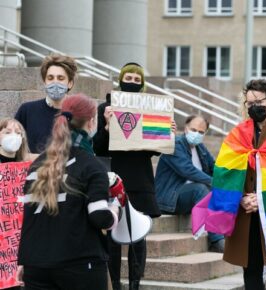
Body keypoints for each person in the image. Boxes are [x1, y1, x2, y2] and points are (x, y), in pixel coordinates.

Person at [17, 94, 120, 290]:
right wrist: (116, 208)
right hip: (79, 263)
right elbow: (100, 218)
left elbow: (30, 217)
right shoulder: (91, 165)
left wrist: (24, 259)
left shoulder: (38, 164)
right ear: (91, 122)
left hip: (35, 264)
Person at [206, 79, 266, 290]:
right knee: (251, 274)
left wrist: (262, 199)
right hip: (248, 215)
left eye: (258, 102)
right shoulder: (239, 133)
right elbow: (225, 172)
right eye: (249, 103)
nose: (254, 107)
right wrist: (242, 197)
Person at [94, 62, 170, 290]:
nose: (132, 83)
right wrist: (107, 126)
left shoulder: (151, 109)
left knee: (139, 235)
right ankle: (116, 283)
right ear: (120, 79)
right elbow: (98, 147)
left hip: (140, 178)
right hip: (114, 177)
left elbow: (155, 150)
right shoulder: (105, 108)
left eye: (137, 80)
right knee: (113, 234)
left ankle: (135, 284)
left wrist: (165, 131)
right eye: (128, 78)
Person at [155, 115, 224, 252]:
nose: (196, 134)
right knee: (201, 188)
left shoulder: (200, 148)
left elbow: (214, 167)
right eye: (193, 129)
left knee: (223, 190)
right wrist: (214, 182)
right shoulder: (175, 144)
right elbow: (188, 170)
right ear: (186, 128)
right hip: (169, 198)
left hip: (188, 198)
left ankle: (225, 233)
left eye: (200, 132)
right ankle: (216, 240)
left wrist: (227, 180)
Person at [15, 53, 77, 153]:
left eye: (60, 78)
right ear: (44, 82)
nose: (55, 82)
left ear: (70, 83)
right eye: (50, 78)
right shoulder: (27, 110)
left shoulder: (79, 115)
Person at [0, 118, 35, 290]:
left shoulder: (29, 170)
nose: (13, 136)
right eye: (7, 132)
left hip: (19, 242)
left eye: (18, 133)